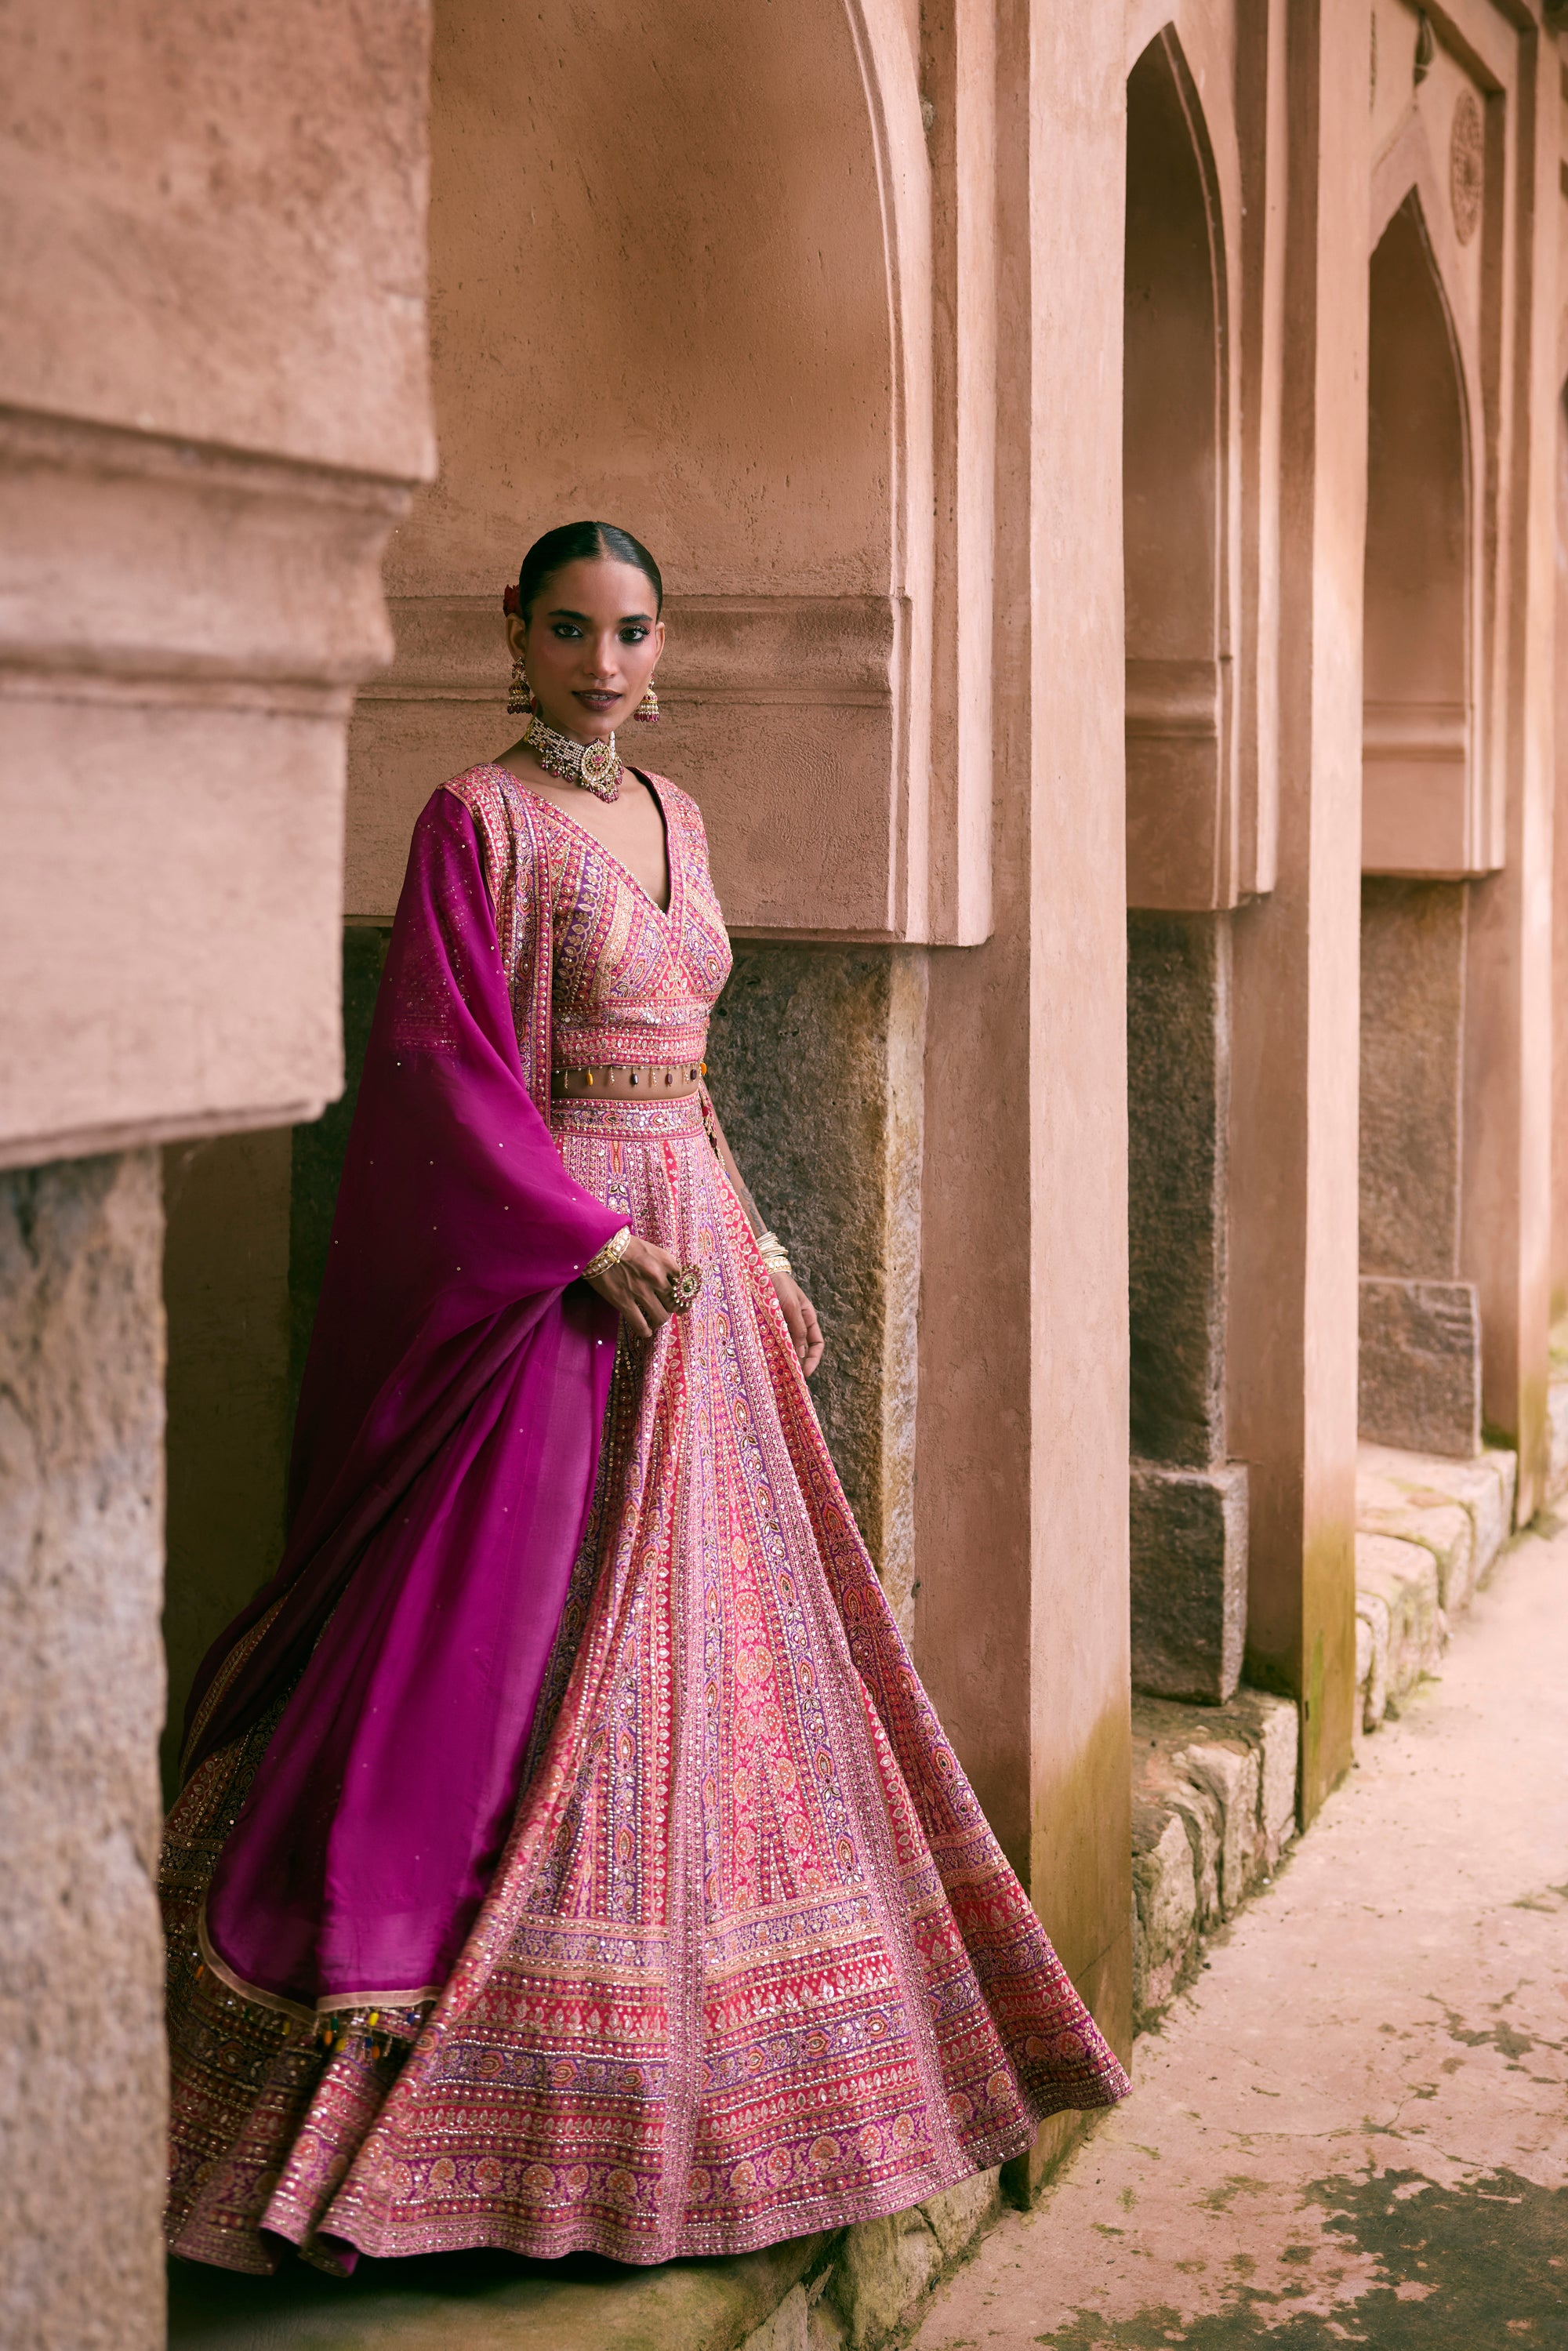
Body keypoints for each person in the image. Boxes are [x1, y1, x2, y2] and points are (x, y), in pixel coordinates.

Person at [162, 521, 1129, 2277]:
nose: (600, 664)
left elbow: (690, 1085)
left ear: (660, 643)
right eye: (566, 631)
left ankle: (699, 2090)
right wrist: (580, 1239)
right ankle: (416, 2093)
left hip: (695, 1272)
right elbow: (449, 1071)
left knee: (719, 1670)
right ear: (513, 638)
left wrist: (756, 1248)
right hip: (562, 1281)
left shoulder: (679, 821)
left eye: (627, 632)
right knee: (501, 1642)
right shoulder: (480, 821)